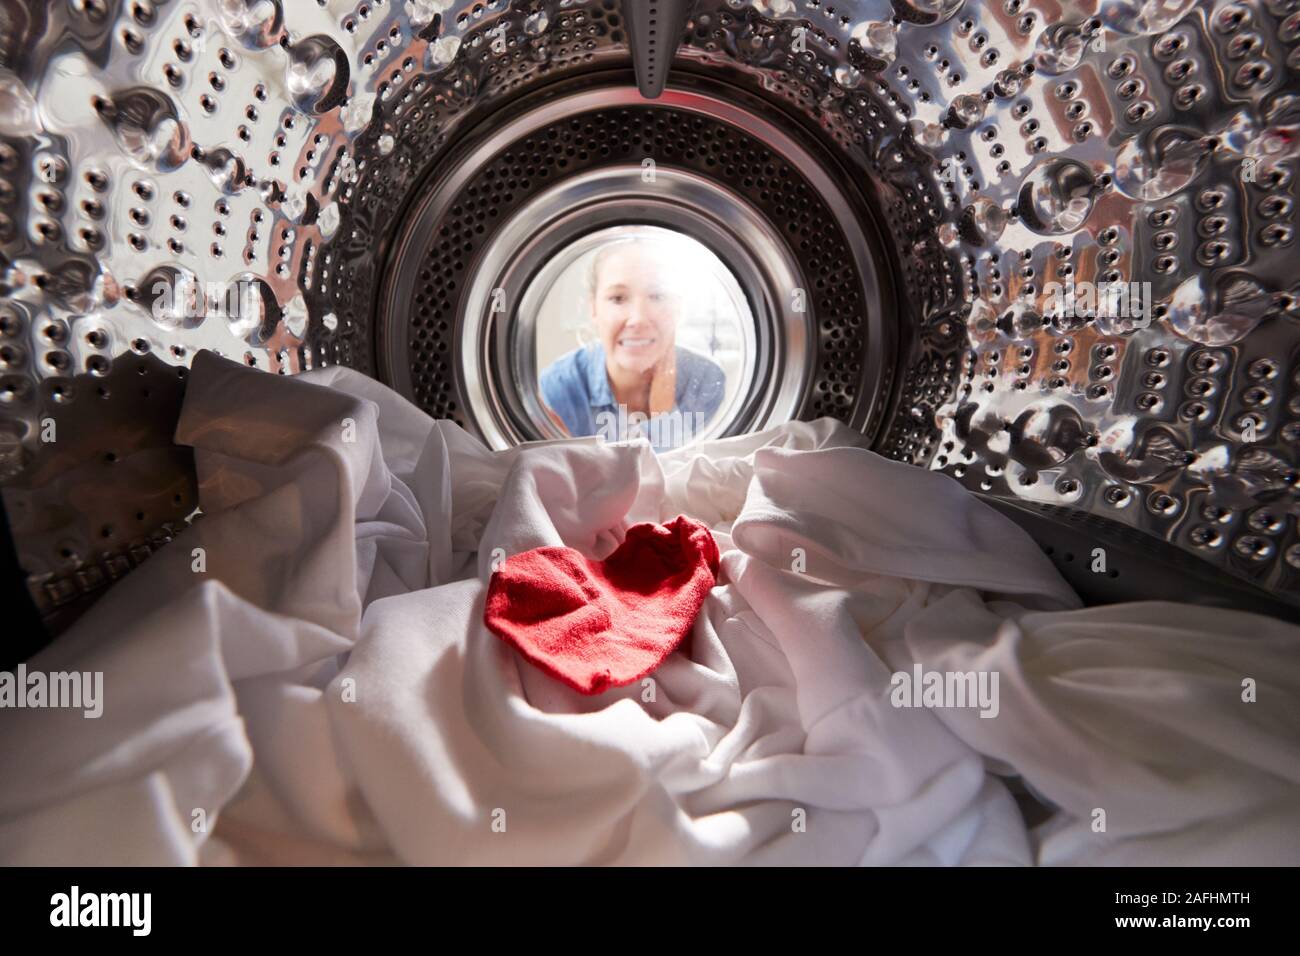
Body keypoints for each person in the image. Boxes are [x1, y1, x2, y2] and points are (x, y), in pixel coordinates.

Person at [539, 237, 726, 451]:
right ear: (593, 309)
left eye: (657, 295)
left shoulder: (705, 381)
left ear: (678, 307)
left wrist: (663, 415)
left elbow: (687, 480)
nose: (638, 319)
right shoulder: (560, 387)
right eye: (618, 298)